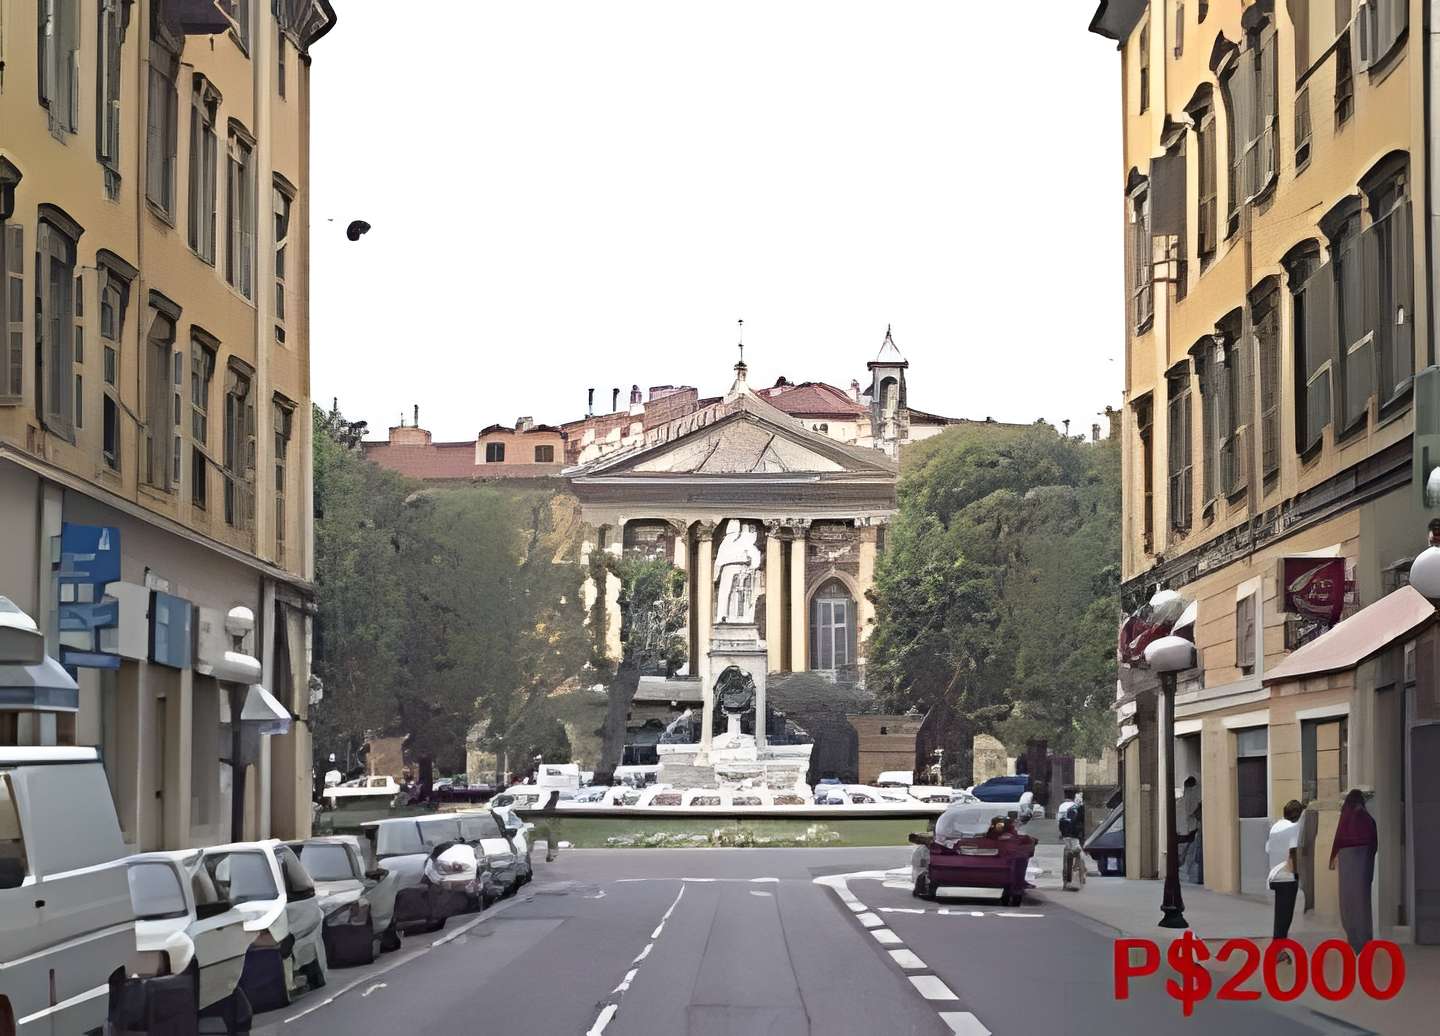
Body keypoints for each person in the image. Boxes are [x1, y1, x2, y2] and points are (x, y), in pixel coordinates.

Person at [1331, 788, 1378, 953]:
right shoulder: (1366, 817)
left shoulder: (1345, 817)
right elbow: (1374, 843)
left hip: (1347, 861)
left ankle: (1353, 939)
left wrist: (1335, 858)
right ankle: (1365, 941)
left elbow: (1338, 840)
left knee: (1347, 902)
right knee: (1362, 902)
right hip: (1363, 863)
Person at [1267, 800, 1306, 962]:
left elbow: (1268, 848)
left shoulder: (1276, 826)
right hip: (1287, 878)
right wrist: (1297, 875)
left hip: (1275, 876)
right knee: (1285, 918)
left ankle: (1278, 949)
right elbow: (1292, 853)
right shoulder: (1293, 829)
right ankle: (1277, 951)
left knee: (1280, 915)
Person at [1057, 787, 1086, 891]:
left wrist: (1061, 833)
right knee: (1078, 854)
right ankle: (1080, 877)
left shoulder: (1062, 806)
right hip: (1075, 835)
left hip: (1066, 834)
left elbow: (1059, 821)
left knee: (1068, 856)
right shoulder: (1076, 807)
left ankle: (1066, 881)